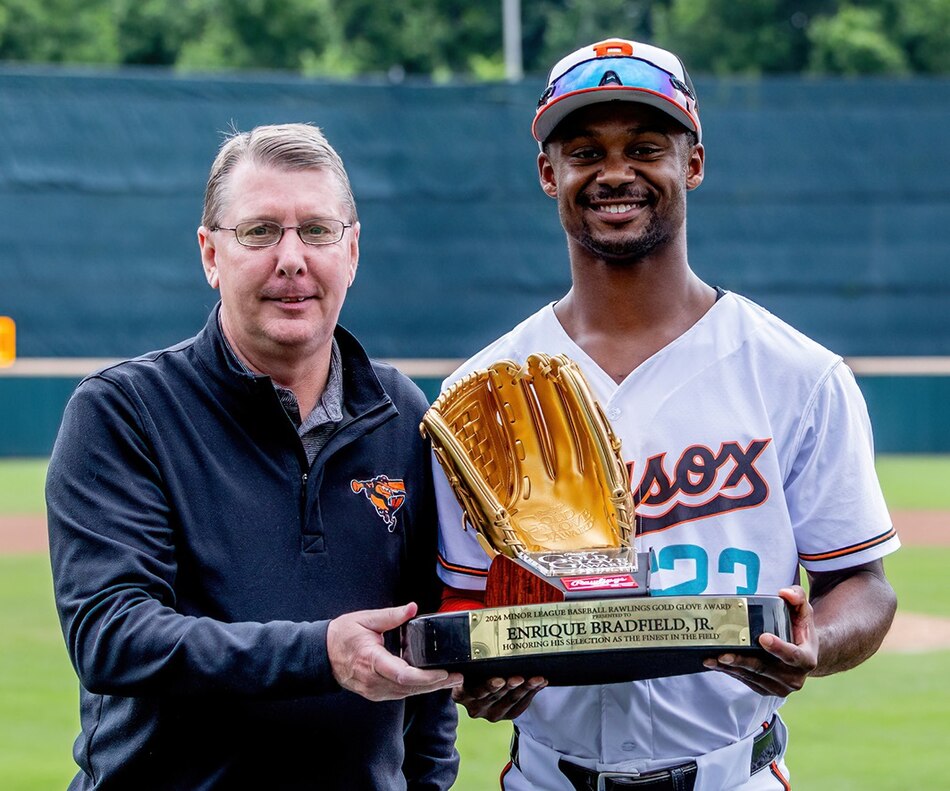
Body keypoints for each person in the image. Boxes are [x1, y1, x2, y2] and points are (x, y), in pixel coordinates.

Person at [433, 39, 899, 790]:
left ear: (694, 163)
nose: (615, 171)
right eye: (586, 150)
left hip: (733, 775)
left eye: (646, 146)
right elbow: (461, 596)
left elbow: (863, 583)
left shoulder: (797, 375)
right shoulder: (482, 393)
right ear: (549, 173)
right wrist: (477, 669)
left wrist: (818, 637)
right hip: (549, 776)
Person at [46, 123, 461, 790]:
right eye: (261, 231)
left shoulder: (401, 411)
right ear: (211, 253)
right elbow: (113, 634)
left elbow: (428, 644)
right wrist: (320, 653)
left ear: (351, 251)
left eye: (317, 231)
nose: (292, 258)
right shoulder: (122, 411)